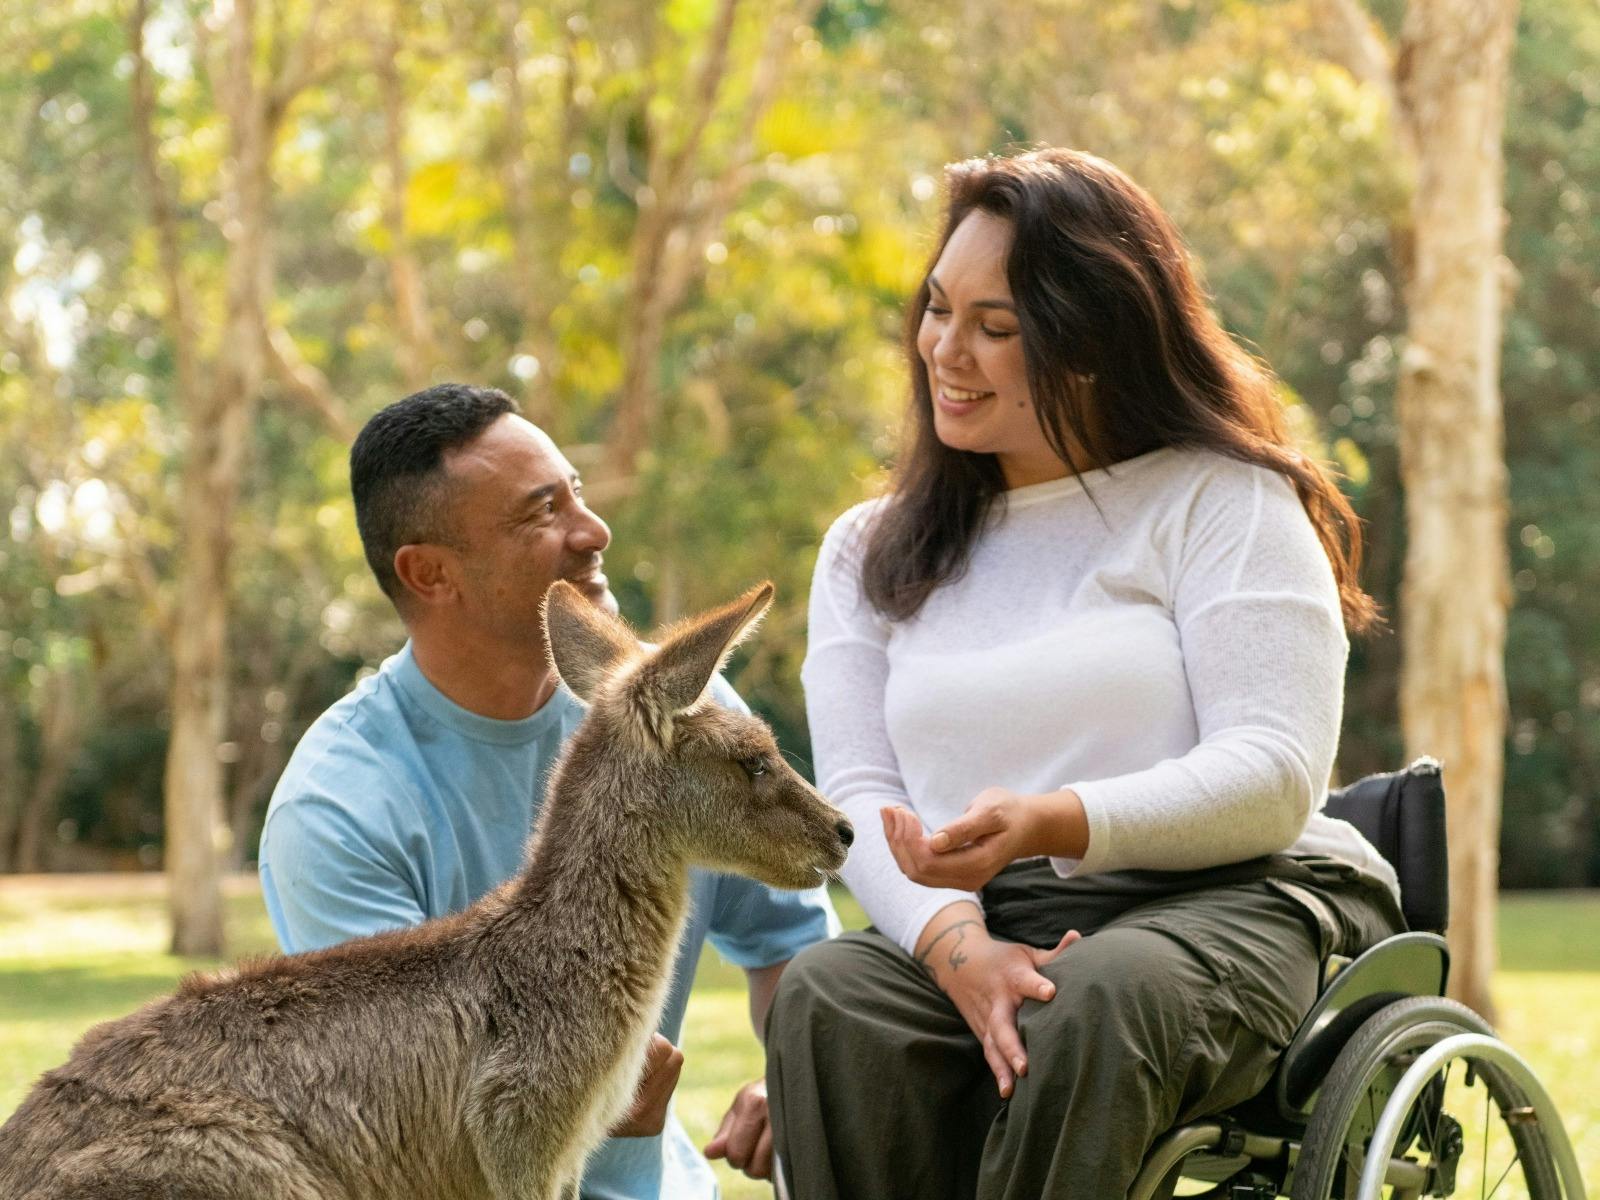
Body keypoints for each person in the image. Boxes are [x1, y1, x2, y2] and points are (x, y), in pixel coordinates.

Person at [765, 148, 1407, 1198]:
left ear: (1092, 346)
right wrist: (957, 950)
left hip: (1227, 900)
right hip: (978, 920)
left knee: (1094, 994)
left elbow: (1272, 770)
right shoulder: (866, 549)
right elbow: (858, 797)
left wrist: (1053, 819)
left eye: (996, 328)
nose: (945, 351)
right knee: (831, 992)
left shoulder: (1220, 502)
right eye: (936, 310)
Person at [259, 383, 837, 1200]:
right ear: (430, 573)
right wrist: (588, 1093)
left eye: (580, 494)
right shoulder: (341, 806)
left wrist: (795, 1075)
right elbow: (400, 1118)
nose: (594, 531)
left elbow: (794, 946)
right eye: (541, 512)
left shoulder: (677, 717)